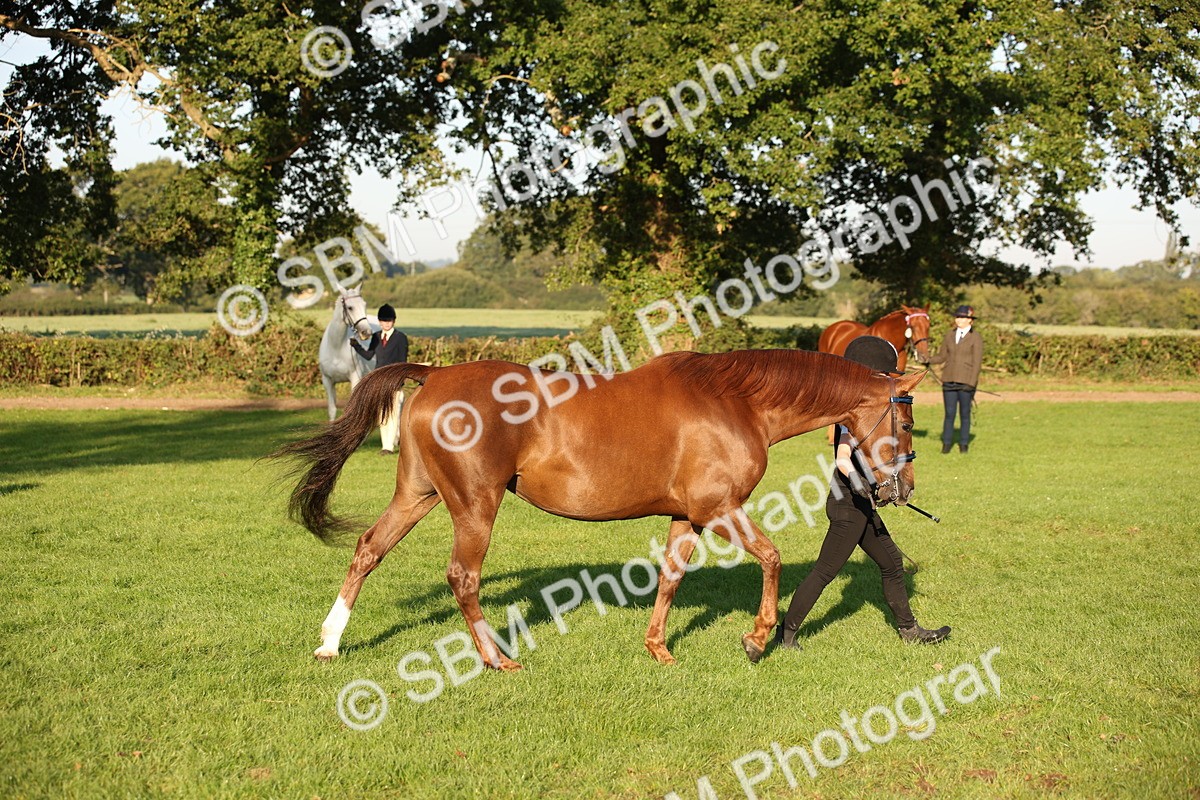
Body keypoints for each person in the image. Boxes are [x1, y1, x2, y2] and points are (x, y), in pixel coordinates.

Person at [776, 335, 950, 651]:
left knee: (892, 564)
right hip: (847, 505)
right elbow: (843, 458)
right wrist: (857, 480)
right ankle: (785, 633)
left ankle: (910, 630)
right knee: (825, 572)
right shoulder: (850, 414)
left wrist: (887, 487)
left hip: (862, 506)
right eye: (884, 375)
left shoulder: (874, 411)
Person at [920, 305, 983, 454]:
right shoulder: (949, 335)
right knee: (949, 413)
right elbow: (943, 356)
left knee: (965, 414)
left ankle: (963, 444)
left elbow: (977, 363)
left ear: (970, 320)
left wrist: (971, 383)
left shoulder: (976, 337)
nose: (959, 320)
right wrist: (928, 359)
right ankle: (946, 444)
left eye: (963, 317)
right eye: (958, 317)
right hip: (949, 379)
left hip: (966, 382)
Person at [350, 303, 409, 455]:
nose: (386, 323)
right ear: (380, 322)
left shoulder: (400, 338)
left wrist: (399, 381)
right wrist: (356, 346)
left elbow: (403, 361)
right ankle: (385, 445)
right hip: (379, 382)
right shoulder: (376, 337)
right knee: (383, 415)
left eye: (389, 321)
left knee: (393, 414)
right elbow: (369, 355)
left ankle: (389, 447)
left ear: (394, 321)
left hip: (394, 382)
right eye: (384, 321)